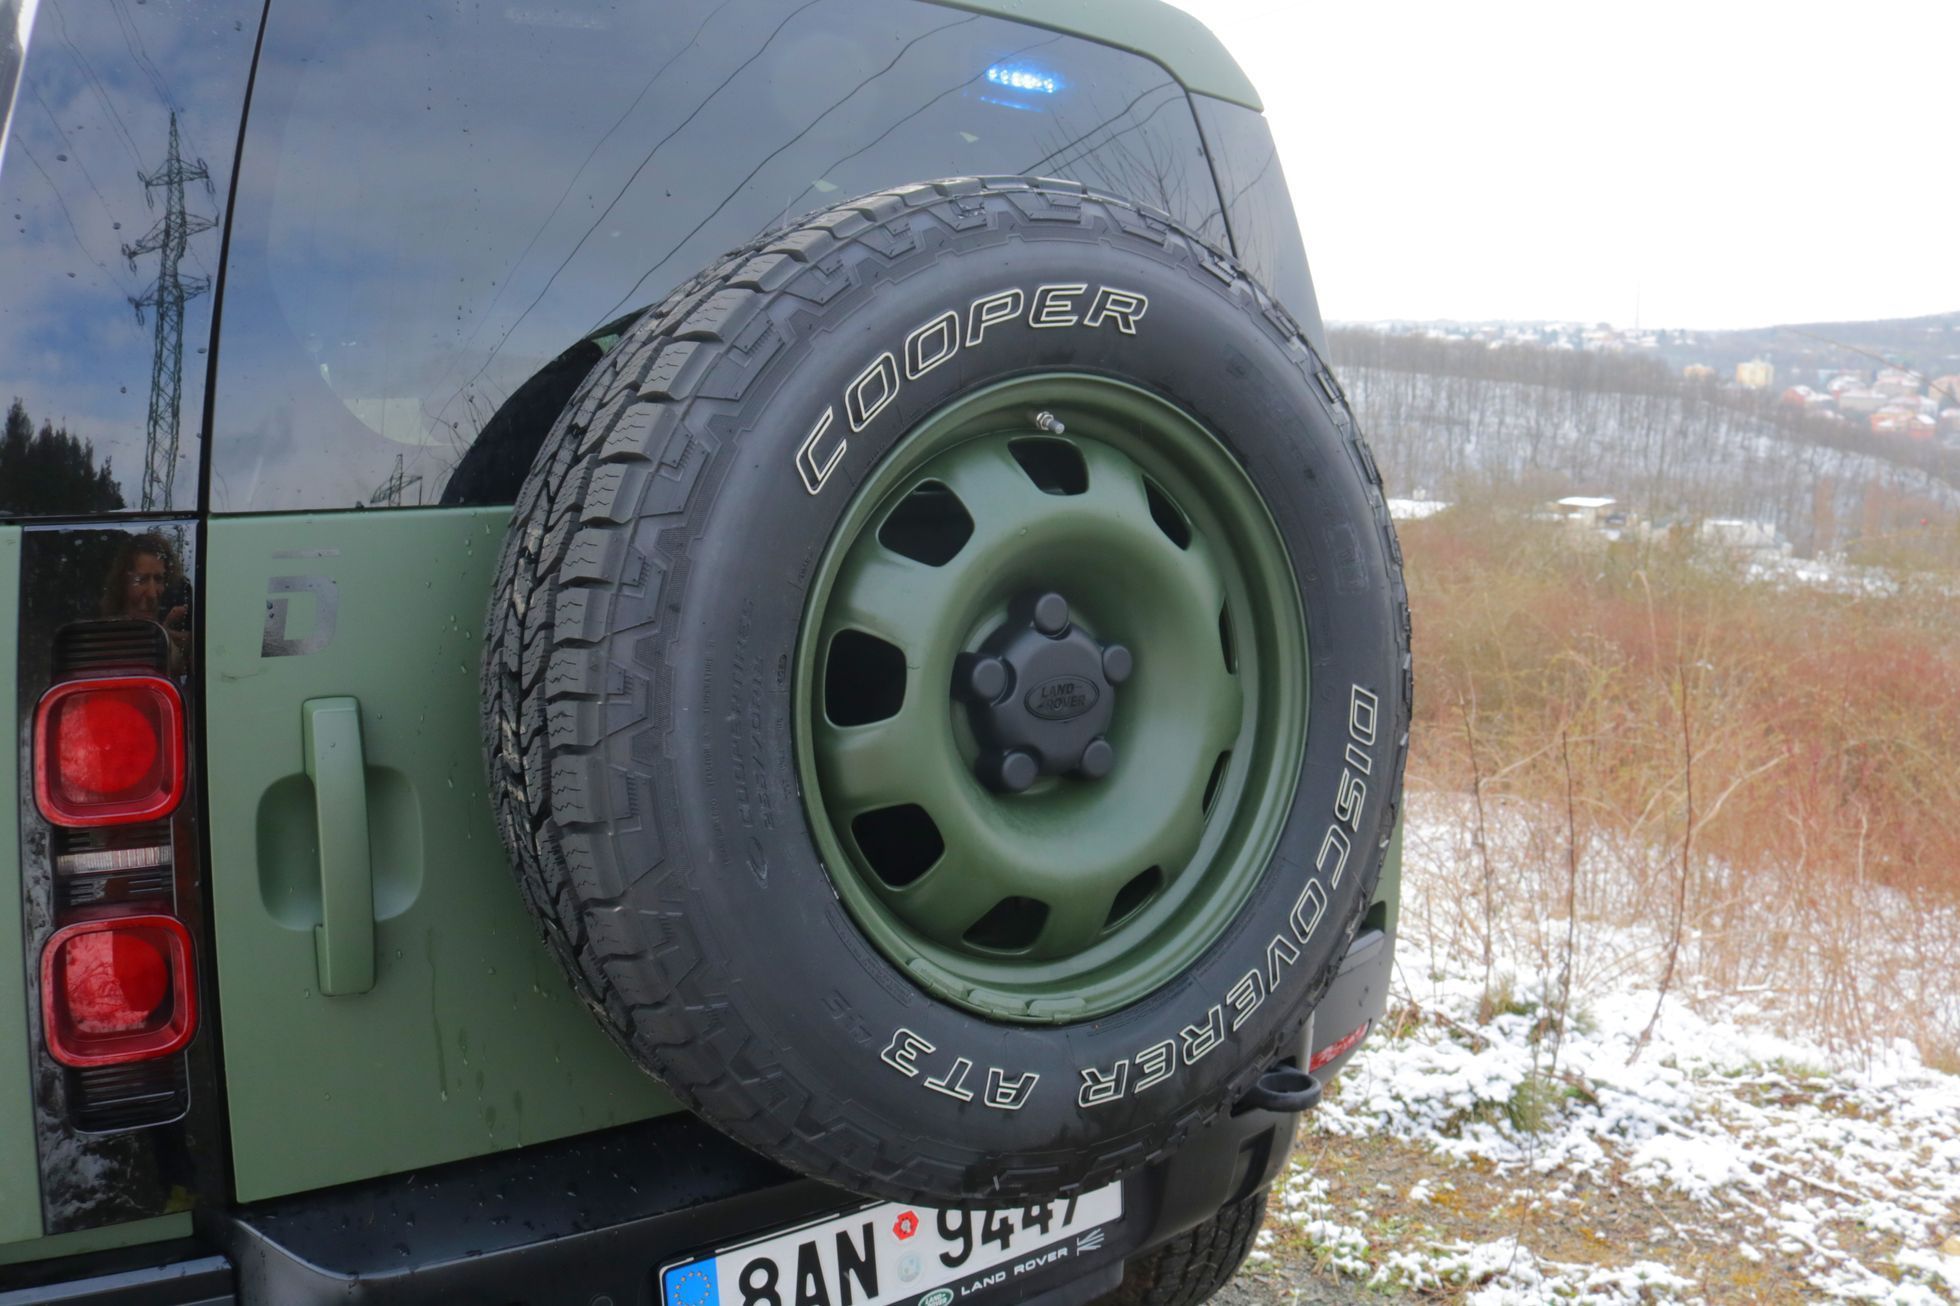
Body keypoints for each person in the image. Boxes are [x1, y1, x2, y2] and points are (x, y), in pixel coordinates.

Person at [101, 531, 191, 672]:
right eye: (141, 580)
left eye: (159, 579)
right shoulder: (101, 641)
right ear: (122, 584)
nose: (152, 593)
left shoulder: (170, 635)